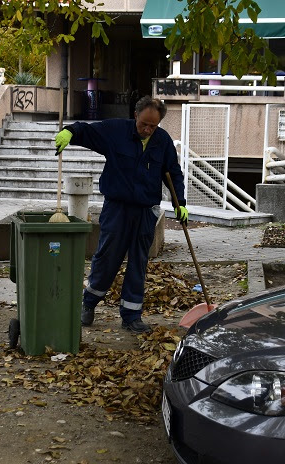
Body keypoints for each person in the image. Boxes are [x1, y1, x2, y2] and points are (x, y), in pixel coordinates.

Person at [54, 96, 188, 334]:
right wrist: (69, 133)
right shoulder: (116, 130)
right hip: (117, 209)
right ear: (135, 115)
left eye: (153, 126)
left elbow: (173, 173)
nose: (147, 130)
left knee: (139, 263)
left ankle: (131, 315)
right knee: (107, 258)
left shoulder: (162, 141)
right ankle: (89, 302)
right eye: (143, 124)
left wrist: (181, 203)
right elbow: (88, 131)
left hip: (145, 212)